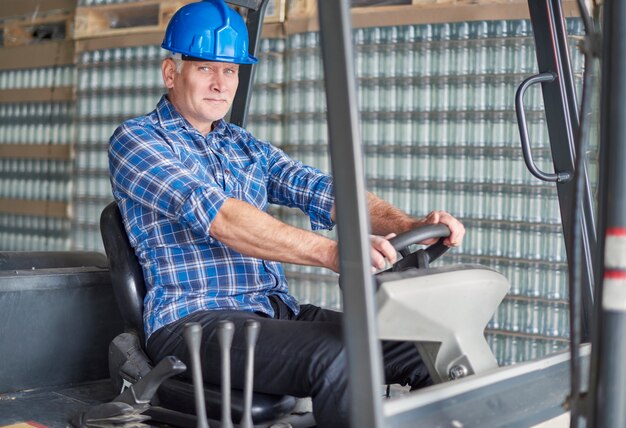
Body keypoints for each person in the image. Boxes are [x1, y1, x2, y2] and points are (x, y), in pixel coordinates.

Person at [108, 0, 465, 426]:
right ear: (172, 73)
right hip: (194, 321)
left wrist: (408, 226)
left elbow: (323, 190)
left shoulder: (243, 146)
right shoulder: (137, 141)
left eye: (231, 70)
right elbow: (221, 217)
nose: (221, 83)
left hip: (271, 310)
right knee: (341, 357)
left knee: (424, 347)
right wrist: (335, 252)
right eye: (206, 68)